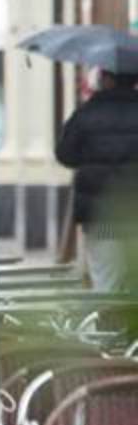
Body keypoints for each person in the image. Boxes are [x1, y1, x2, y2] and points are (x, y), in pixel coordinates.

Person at [55, 70, 138, 291]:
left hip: (100, 218)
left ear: (107, 80)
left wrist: (90, 157)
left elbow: (64, 154)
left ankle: (105, 312)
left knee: (105, 283)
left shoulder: (87, 112)